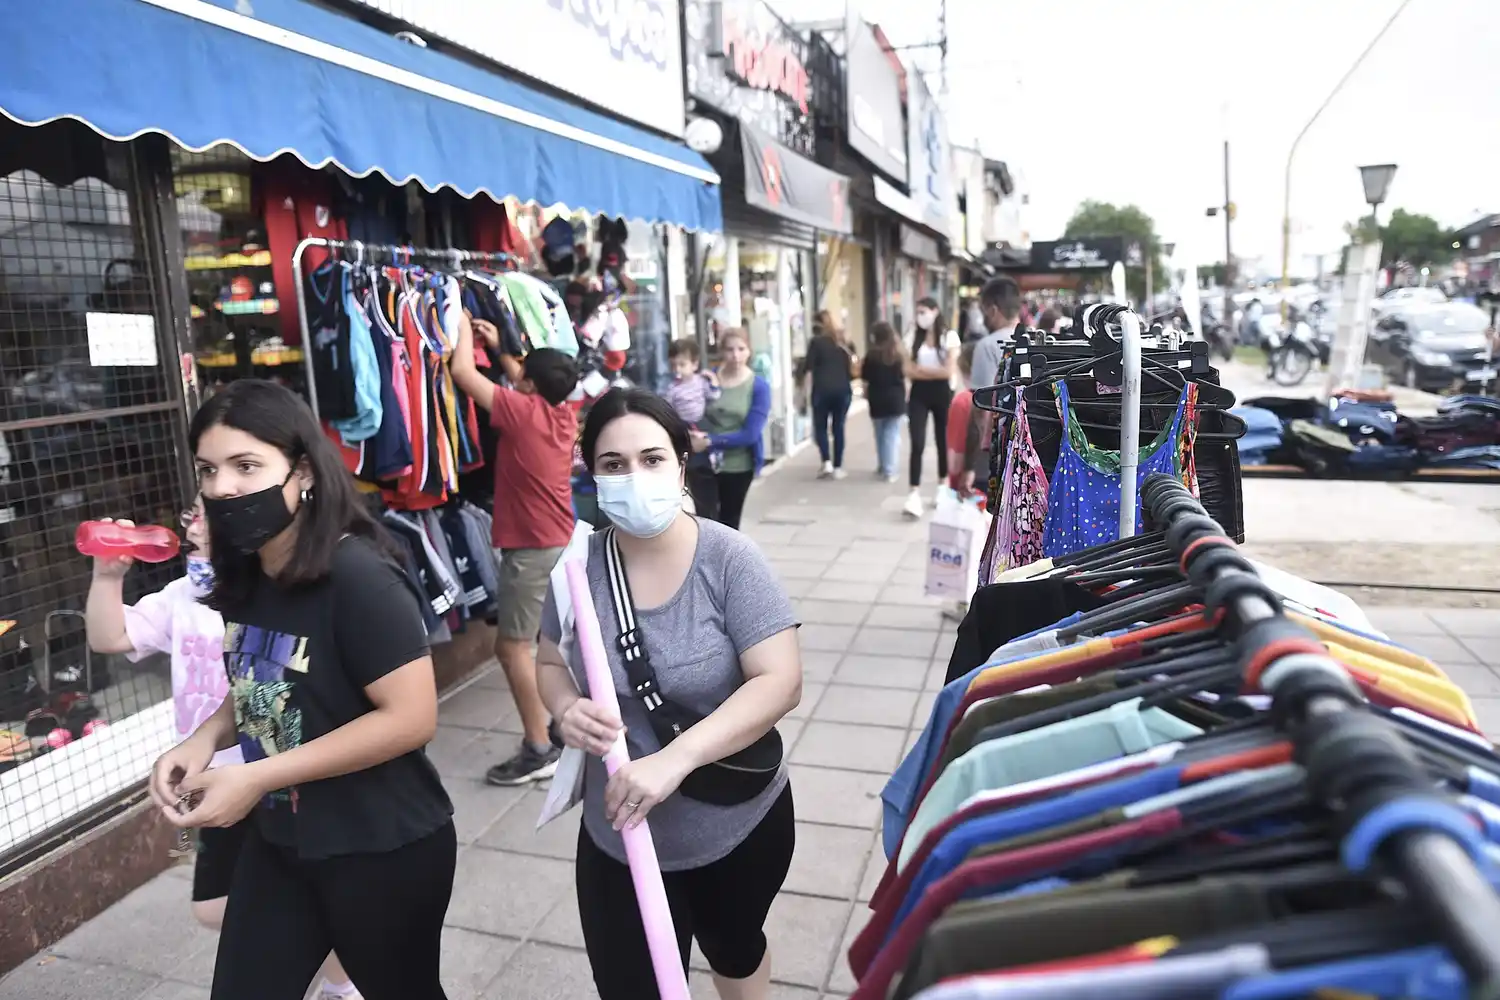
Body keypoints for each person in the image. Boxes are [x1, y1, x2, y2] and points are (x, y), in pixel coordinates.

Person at [150, 379, 454, 1000]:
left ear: (305, 472)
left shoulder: (359, 577)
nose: (222, 488)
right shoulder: (250, 568)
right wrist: (203, 739)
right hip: (282, 840)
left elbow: (412, 717)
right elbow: (264, 678)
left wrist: (257, 776)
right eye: (208, 470)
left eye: (246, 465)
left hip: (381, 845)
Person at [536, 387, 802, 1000]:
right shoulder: (576, 570)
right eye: (613, 464)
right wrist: (564, 709)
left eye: (652, 459)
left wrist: (675, 759)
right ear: (592, 475)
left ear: (682, 465)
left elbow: (780, 680)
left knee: (735, 950)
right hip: (619, 838)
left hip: (736, 824)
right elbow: (548, 662)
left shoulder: (730, 558)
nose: (634, 476)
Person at [87, 499, 363, 1000]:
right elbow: (110, 636)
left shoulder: (269, 594)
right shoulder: (180, 597)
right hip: (209, 782)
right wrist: (107, 577)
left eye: (206, 514)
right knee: (213, 906)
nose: (192, 524)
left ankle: (342, 984)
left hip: (277, 774)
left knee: (291, 887)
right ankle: (331, 949)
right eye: (191, 513)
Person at [449, 314, 581, 786]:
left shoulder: (522, 413)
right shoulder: (560, 411)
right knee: (548, 644)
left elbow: (464, 375)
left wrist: (460, 324)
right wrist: (500, 345)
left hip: (531, 550)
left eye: (520, 372)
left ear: (526, 384)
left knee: (512, 648)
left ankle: (538, 747)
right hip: (559, 541)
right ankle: (561, 729)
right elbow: (522, 379)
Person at [690, 328, 770, 531]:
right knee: (705, 523)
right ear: (721, 352)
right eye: (729, 349)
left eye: (741, 349)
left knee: (728, 524)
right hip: (703, 463)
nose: (735, 355)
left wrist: (710, 441)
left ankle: (728, 562)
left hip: (737, 465)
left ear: (749, 351)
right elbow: (690, 412)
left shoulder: (758, 386)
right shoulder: (708, 379)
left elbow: (750, 434)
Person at [903, 297, 956, 519]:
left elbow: (948, 371)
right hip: (918, 394)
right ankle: (913, 492)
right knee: (917, 441)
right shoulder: (912, 336)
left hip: (942, 393)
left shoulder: (949, 336)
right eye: (918, 312)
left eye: (924, 311)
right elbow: (908, 370)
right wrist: (929, 371)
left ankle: (942, 486)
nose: (920, 316)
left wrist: (922, 370)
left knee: (943, 440)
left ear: (935, 311)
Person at [799, 309, 857, 479]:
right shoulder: (843, 342)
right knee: (838, 427)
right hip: (843, 389)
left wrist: (802, 390)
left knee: (821, 427)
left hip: (822, 389)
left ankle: (827, 463)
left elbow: (808, 368)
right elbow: (850, 367)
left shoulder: (816, 343)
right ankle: (838, 466)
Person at [861, 321, 907, 483]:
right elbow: (904, 378)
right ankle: (889, 469)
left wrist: (866, 395)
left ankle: (882, 465)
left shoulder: (871, 355)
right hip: (895, 399)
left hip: (876, 398)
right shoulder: (898, 355)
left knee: (880, 433)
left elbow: (865, 381)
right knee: (891, 434)